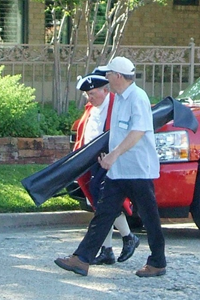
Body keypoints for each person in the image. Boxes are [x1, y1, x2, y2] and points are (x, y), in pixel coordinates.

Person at [54, 56, 166, 277]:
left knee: (149, 216)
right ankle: (82, 259)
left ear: (117, 76)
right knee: (104, 214)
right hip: (119, 169)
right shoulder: (120, 98)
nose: (105, 78)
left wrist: (113, 155)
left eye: (108, 75)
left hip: (137, 169)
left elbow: (138, 132)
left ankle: (158, 262)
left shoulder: (137, 98)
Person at [74, 68, 139, 266]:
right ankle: (107, 249)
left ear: (104, 90)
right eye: (87, 95)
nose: (89, 98)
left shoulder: (116, 105)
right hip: (94, 162)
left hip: (112, 162)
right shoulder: (91, 109)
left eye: (92, 94)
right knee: (100, 205)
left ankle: (128, 237)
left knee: (105, 202)